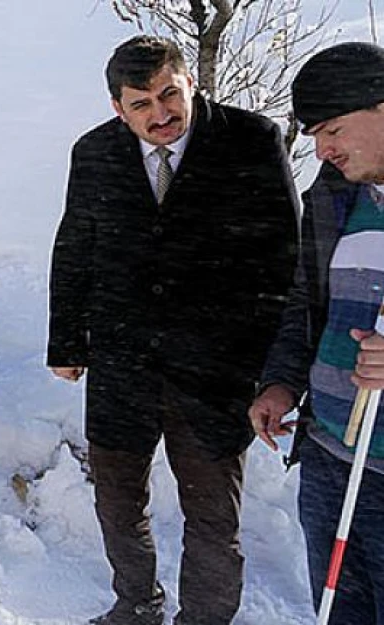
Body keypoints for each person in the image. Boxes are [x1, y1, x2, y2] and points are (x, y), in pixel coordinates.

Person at [47, 36, 299, 624]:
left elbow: (282, 258)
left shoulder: (250, 140)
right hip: (121, 361)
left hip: (214, 367)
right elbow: (74, 245)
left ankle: (205, 619)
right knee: (116, 500)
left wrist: (275, 369)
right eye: (142, 104)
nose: (160, 115)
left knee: (211, 512)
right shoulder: (93, 153)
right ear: (118, 107)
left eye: (169, 95)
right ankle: (136, 605)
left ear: (191, 83)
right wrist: (66, 340)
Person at [249, 41, 384, 625]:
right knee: (337, 611)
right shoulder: (334, 199)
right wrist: (281, 382)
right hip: (331, 455)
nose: (323, 149)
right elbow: (306, 304)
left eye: (332, 129)